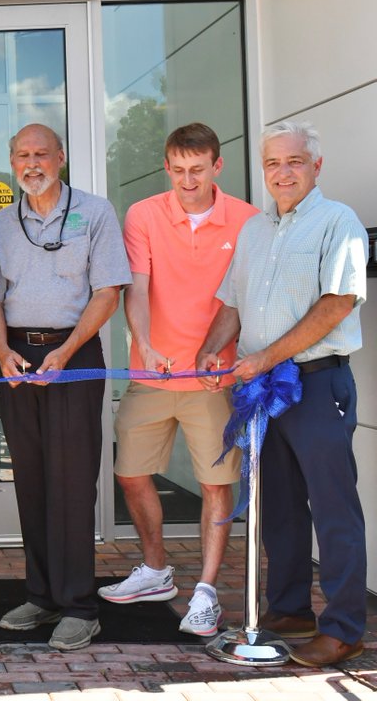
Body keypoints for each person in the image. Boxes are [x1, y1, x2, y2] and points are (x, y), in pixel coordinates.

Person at [196, 121, 368, 668]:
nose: (282, 172)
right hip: (263, 391)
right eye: (272, 163)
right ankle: (291, 609)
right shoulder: (253, 230)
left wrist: (266, 358)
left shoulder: (338, 222)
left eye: (294, 161)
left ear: (316, 166)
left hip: (317, 383)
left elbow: (337, 304)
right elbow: (232, 303)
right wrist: (209, 350)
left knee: (333, 508)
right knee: (280, 505)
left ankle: (344, 628)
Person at [99, 123, 259, 636]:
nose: (187, 180)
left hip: (214, 379)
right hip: (153, 373)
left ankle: (207, 591)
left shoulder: (250, 221)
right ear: (166, 167)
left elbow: (238, 299)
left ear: (217, 166)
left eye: (197, 169)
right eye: (178, 170)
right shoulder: (144, 214)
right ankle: (155, 570)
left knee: (216, 485)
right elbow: (138, 288)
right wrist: (143, 343)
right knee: (130, 473)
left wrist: (214, 352)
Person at [0, 123, 130, 651]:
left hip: (74, 352)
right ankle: (42, 595)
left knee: (71, 481)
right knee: (31, 479)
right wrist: (1, 351)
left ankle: (79, 606)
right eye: (21, 154)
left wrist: (65, 354)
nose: (31, 163)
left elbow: (108, 291)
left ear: (61, 157)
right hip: (18, 359)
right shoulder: (1, 224)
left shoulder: (95, 213)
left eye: (40, 153)